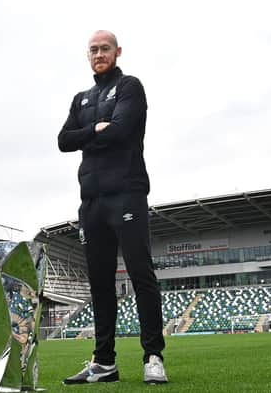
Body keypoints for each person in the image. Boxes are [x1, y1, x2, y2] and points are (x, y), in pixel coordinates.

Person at [58, 30, 167, 385]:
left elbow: (120, 132)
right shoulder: (82, 98)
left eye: (105, 48)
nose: (99, 54)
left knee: (140, 274)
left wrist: (89, 134)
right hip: (91, 201)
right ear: (87, 55)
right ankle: (104, 362)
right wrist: (95, 127)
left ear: (118, 51)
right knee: (100, 284)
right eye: (93, 50)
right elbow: (63, 140)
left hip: (127, 193)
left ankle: (153, 355)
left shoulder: (131, 87)